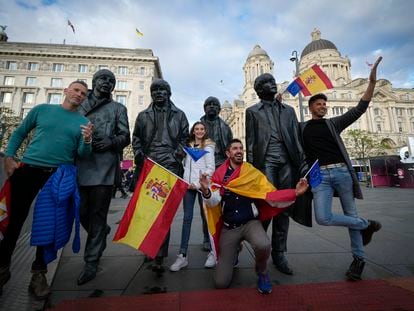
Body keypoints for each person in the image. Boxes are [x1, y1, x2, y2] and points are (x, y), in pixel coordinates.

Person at [0, 80, 93, 298]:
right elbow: (19, 133)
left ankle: (38, 274)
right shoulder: (42, 110)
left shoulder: (83, 122)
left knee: (47, 226)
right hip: (28, 170)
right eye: (76, 90)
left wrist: (87, 140)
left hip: (57, 176)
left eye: (83, 93)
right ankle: (2, 270)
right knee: (14, 222)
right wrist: (9, 158)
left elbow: (82, 154)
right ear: (66, 91)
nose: (79, 95)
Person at [302, 56, 383, 281]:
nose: (323, 106)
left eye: (325, 104)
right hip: (319, 177)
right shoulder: (301, 128)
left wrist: (372, 83)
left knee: (350, 214)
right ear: (310, 108)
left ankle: (359, 260)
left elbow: (359, 109)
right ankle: (367, 225)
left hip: (341, 172)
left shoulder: (333, 123)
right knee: (323, 217)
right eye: (318, 104)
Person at [199, 139, 308, 293]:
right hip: (229, 228)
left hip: (250, 223)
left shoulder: (252, 172)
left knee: (263, 244)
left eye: (241, 148)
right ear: (228, 153)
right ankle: (235, 249)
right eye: (235, 148)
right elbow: (213, 202)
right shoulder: (219, 175)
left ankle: (262, 272)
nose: (239, 151)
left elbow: (269, 194)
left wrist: (294, 192)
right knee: (220, 283)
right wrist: (206, 191)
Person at [245, 73, 311, 275]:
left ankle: (279, 253)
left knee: (284, 208)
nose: (272, 84)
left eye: (272, 81)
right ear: (259, 89)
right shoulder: (252, 111)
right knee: (267, 205)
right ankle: (261, 249)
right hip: (266, 162)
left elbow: (296, 138)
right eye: (266, 82)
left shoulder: (289, 111)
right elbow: (250, 143)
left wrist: (302, 163)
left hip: (287, 162)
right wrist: (253, 172)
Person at [76, 69, 130, 285]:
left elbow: (125, 135)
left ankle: (91, 260)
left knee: (98, 214)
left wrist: (112, 142)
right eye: (103, 79)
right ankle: (101, 233)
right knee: (82, 214)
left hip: (104, 167)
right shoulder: (79, 104)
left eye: (111, 80)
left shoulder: (118, 108)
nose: (107, 83)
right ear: (94, 82)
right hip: (80, 164)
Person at [132, 78, 189, 273]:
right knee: (147, 210)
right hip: (149, 164)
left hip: (169, 165)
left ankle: (159, 253)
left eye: (162, 90)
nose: (158, 93)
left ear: (169, 93)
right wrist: (139, 154)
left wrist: (176, 155)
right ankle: (148, 246)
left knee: (164, 212)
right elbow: (137, 138)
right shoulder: (143, 115)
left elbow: (185, 140)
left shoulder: (179, 115)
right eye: (155, 90)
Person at [170, 121, 216, 272]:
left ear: (205, 130)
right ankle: (182, 255)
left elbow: (210, 168)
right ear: (193, 131)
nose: (199, 131)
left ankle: (213, 253)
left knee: (207, 218)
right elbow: (184, 166)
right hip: (187, 187)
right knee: (186, 219)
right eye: (197, 129)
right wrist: (186, 181)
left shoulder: (208, 146)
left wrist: (196, 184)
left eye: (202, 129)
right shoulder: (188, 146)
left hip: (201, 187)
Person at [201, 96, 233, 168]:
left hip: (221, 164)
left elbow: (230, 147)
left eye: (214, 104)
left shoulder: (226, 127)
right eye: (209, 104)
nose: (212, 106)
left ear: (219, 109)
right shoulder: (198, 127)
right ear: (204, 108)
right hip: (203, 163)